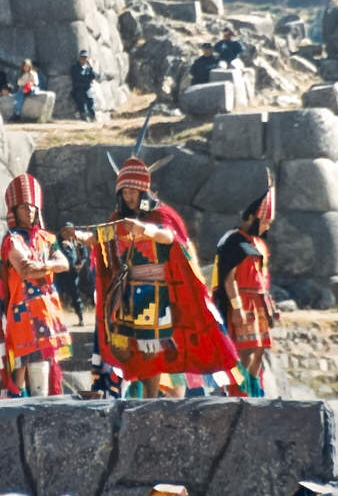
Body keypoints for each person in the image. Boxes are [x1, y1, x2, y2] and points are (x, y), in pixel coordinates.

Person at [82, 157, 240, 399]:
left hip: (155, 292)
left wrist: (146, 230)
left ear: (143, 190)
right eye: (124, 192)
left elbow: (169, 236)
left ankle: (159, 398)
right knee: (135, 349)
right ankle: (149, 397)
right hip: (126, 294)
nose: (129, 197)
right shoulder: (119, 217)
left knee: (154, 347)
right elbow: (103, 239)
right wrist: (82, 237)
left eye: (133, 191)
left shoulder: (161, 214)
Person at [0, 174, 72, 397]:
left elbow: (64, 263)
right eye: (24, 208)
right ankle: (14, 407)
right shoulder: (11, 240)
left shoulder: (48, 238)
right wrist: (49, 265)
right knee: (21, 363)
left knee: (44, 360)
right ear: (14, 211)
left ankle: (40, 408)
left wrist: (41, 264)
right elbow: (24, 271)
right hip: (23, 312)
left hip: (48, 311)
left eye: (32, 208)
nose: (29, 212)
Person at [212, 178, 277, 397]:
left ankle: (250, 388)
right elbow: (229, 278)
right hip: (242, 301)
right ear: (251, 218)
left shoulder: (259, 244)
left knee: (259, 349)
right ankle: (236, 390)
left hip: (259, 302)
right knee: (244, 350)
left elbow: (262, 278)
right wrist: (237, 307)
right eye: (264, 220)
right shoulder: (233, 241)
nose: (267, 225)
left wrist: (270, 305)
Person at [55, 222, 87, 326]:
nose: (66, 232)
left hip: (73, 274)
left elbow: (84, 255)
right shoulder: (55, 241)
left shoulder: (77, 241)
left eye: (69, 230)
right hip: (59, 273)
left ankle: (81, 318)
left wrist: (80, 265)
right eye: (65, 230)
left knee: (75, 296)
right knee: (56, 295)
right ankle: (56, 321)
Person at [70, 50, 97, 122]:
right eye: (82, 57)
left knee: (90, 102)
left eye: (85, 57)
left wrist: (90, 66)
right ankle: (84, 118)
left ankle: (93, 117)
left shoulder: (88, 68)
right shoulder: (75, 67)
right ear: (79, 58)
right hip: (79, 89)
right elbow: (78, 77)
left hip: (87, 88)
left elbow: (94, 76)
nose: (84, 59)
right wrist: (87, 78)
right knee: (82, 104)